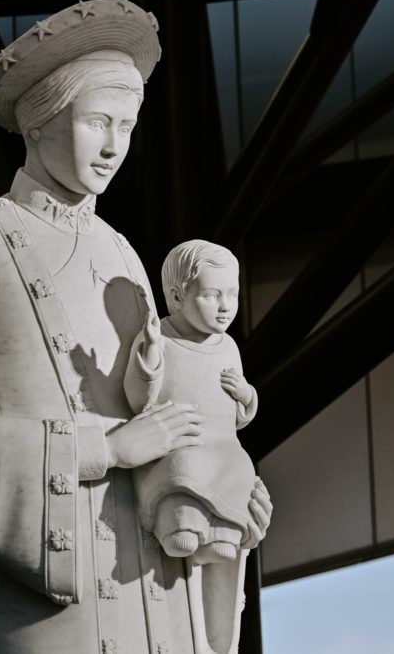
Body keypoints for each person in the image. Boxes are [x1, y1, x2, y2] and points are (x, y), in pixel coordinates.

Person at [0, 0, 270, 654]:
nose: (113, 146)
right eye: (98, 121)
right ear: (41, 119)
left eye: (126, 126)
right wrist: (105, 449)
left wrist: (224, 484)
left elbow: (163, 405)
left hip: (154, 581)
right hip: (46, 592)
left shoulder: (123, 254)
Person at [124, 240, 261, 566]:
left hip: (224, 444)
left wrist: (246, 395)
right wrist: (149, 358)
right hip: (184, 441)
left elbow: (237, 416)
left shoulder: (229, 347)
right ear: (176, 297)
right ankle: (180, 525)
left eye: (232, 295)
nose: (225, 306)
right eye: (212, 296)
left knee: (239, 470)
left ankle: (224, 533)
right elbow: (138, 399)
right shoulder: (163, 339)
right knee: (183, 471)